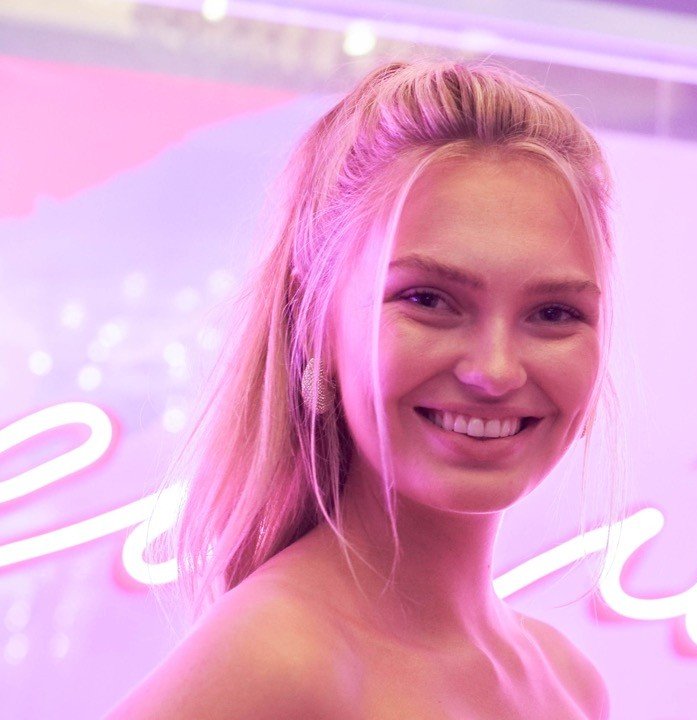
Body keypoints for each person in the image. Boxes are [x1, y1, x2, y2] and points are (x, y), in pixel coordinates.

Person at [110, 61, 614, 719]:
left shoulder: (569, 681)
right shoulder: (275, 661)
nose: (495, 371)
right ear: (316, 322)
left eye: (554, 313)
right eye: (428, 299)